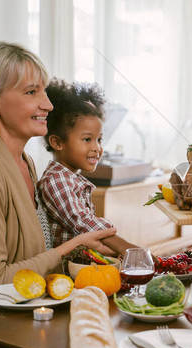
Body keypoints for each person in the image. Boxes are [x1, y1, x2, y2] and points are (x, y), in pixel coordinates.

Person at [0, 42, 117, 308]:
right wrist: (70, 248)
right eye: (31, 92)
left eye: (44, 91)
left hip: (27, 312)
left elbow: (34, 254)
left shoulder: (25, 162)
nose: (47, 104)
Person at [38, 78, 140, 254]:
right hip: (64, 272)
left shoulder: (71, 178)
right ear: (57, 142)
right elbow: (83, 222)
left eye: (99, 139)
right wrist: (128, 249)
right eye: (87, 139)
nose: (96, 148)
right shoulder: (55, 181)